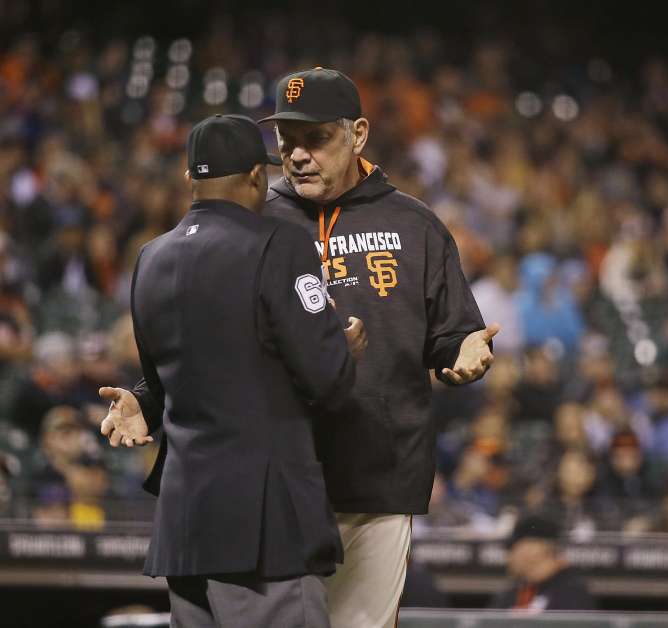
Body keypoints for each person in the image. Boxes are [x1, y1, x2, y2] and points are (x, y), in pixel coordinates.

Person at [103, 69, 496, 628]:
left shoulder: (416, 225)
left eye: (316, 139)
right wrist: (147, 395)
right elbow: (201, 333)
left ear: (357, 134)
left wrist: (464, 353)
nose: (298, 155)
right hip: (274, 491)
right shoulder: (249, 215)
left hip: (374, 479)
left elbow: (452, 332)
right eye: (286, 141)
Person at [105, 114, 362, 627]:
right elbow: (329, 381)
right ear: (254, 177)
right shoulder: (279, 245)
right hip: (266, 531)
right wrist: (343, 346)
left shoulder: (149, 259)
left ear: (189, 180)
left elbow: (164, 378)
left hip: (185, 528)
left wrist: (141, 402)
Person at [490, 514, 595, 611]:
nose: (509, 557)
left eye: (512, 549)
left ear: (534, 550)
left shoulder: (571, 592)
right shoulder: (512, 593)